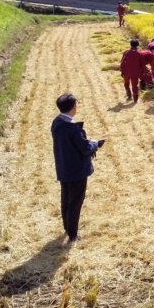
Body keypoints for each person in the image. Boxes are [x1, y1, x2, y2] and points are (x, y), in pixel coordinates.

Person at [51, 93, 104, 244]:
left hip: (63, 168)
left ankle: (67, 228)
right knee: (75, 202)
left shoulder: (56, 122)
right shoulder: (73, 128)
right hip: (77, 171)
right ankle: (73, 234)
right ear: (73, 106)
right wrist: (95, 144)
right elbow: (84, 147)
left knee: (65, 200)